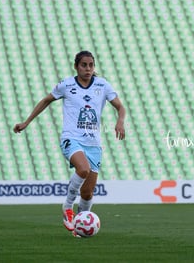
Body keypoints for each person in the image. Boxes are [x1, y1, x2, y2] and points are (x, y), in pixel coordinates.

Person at [14, 51, 126, 234]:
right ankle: (67, 207)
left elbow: (120, 107)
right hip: (71, 138)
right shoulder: (66, 85)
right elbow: (46, 101)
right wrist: (26, 122)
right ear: (76, 66)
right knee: (83, 169)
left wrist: (120, 121)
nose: (88, 69)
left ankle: (80, 228)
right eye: (84, 65)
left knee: (88, 193)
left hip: (93, 144)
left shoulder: (102, 85)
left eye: (91, 65)